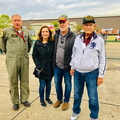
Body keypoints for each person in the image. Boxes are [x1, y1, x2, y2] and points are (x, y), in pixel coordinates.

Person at [70, 15, 106, 120]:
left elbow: (103, 59)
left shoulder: (99, 40)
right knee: (77, 95)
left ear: (94, 26)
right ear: (83, 26)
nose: (88, 27)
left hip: (92, 73)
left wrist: (101, 75)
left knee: (93, 98)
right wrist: (72, 66)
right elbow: (74, 54)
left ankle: (94, 116)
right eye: (86, 25)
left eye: (90, 25)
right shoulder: (77, 38)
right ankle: (76, 111)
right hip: (78, 72)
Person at [0, 14, 32, 111]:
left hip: (24, 58)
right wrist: (9, 53)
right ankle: (15, 102)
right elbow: (1, 43)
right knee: (13, 81)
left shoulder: (26, 32)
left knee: (24, 80)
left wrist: (25, 53)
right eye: (15, 20)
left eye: (19, 20)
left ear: (21, 21)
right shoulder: (5, 31)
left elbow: (30, 43)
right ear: (11, 21)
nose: (17, 22)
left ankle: (24, 99)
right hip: (12, 59)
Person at [53, 15, 76, 111]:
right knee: (57, 84)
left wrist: (73, 66)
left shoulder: (74, 36)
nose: (62, 24)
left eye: (64, 22)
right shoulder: (56, 35)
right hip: (57, 66)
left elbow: (76, 53)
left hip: (67, 67)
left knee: (68, 84)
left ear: (68, 23)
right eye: (60, 22)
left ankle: (66, 101)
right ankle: (59, 99)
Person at [32, 26, 54, 107]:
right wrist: (38, 65)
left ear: (49, 33)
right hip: (41, 68)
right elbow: (34, 55)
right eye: (43, 32)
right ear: (41, 33)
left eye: (46, 31)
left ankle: (47, 98)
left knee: (49, 84)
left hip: (50, 68)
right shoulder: (37, 43)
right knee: (42, 85)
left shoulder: (52, 43)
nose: (45, 33)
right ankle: (41, 99)